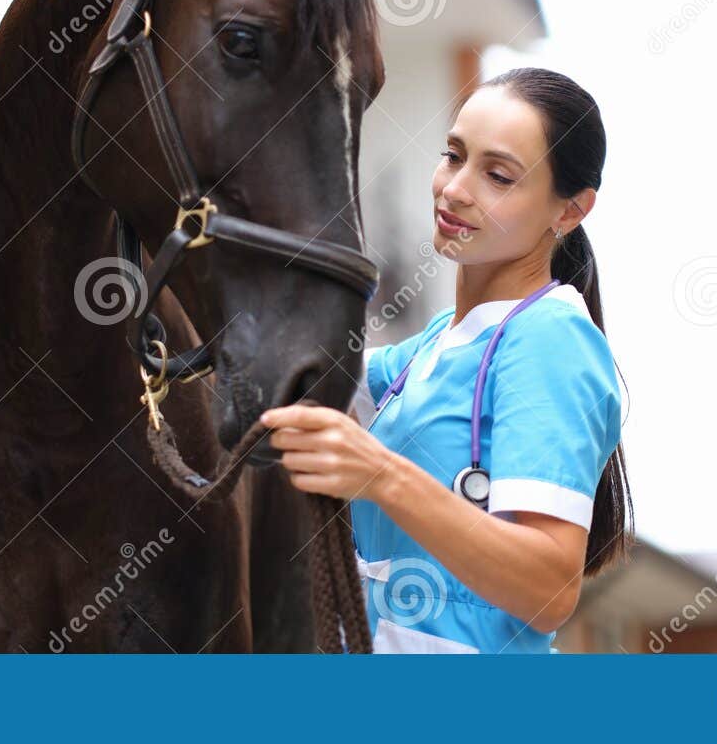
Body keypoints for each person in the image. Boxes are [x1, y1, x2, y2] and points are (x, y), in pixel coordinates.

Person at [261, 67, 634, 653]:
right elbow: (307, 373)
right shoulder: (433, 348)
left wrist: (382, 476)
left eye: (499, 176)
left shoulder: (550, 338)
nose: (456, 188)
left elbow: (549, 589)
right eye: (453, 155)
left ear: (569, 211)